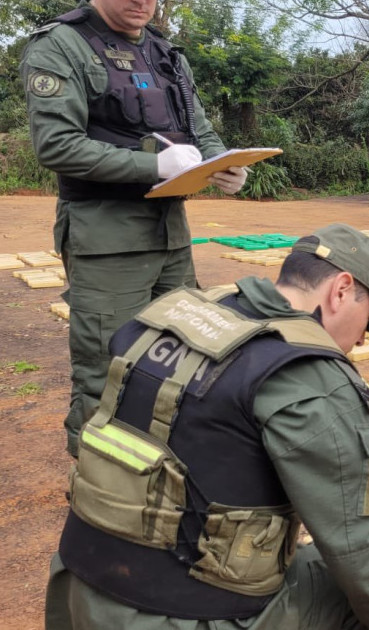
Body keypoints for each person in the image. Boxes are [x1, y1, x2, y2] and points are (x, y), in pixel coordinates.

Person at [44, 223, 369, 630]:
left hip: (78, 586)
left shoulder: (180, 313)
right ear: (342, 290)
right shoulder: (309, 379)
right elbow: (365, 556)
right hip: (177, 615)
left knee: (312, 565)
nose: (364, 339)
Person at [20, 0, 250, 458]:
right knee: (109, 367)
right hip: (107, 238)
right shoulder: (61, 46)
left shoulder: (166, 53)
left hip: (170, 234)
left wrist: (225, 165)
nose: (142, 1)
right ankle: (95, 491)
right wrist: (153, 164)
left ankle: (166, 469)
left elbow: (199, 129)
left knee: (184, 354)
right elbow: (57, 145)